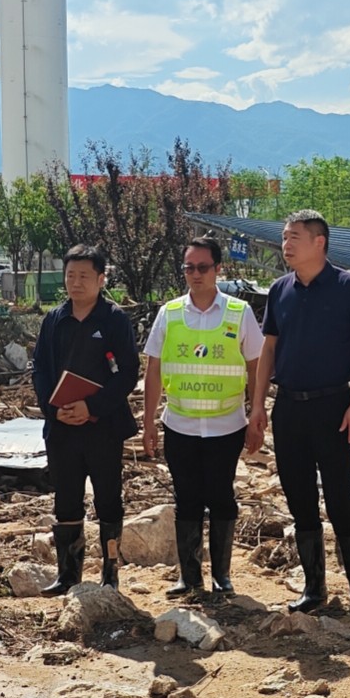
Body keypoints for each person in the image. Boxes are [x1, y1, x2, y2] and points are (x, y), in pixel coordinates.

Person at [248, 210, 350, 618]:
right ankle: (314, 588)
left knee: (340, 498)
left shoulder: (349, 287)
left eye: (294, 237)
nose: (286, 244)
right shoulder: (279, 290)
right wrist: (258, 404)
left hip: (333, 406)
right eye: (284, 237)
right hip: (288, 407)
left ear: (319, 242)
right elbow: (269, 348)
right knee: (299, 498)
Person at [142, 236, 263, 597]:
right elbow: (153, 369)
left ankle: (222, 576)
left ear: (217, 269)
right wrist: (148, 421)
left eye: (203, 267)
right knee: (187, 499)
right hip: (180, 424)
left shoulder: (239, 312)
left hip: (227, 425)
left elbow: (256, 367)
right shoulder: (170, 313)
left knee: (221, 496)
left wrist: (257, 412)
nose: (195, 274)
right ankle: (189, 576)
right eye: (189, 267)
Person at [31, 244, 140, 594]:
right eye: (70, 275)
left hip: (103, 426)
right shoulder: (54, 319)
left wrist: (92, 407)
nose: (76, 283)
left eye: (84, 276)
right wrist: (53, 409)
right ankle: (68, 574)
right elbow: (40, 369)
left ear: (101, 279)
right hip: (61, 427)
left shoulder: (114, 320)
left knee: (108, 498)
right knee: (66, 498)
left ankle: (110, 572)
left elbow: (128, 373)